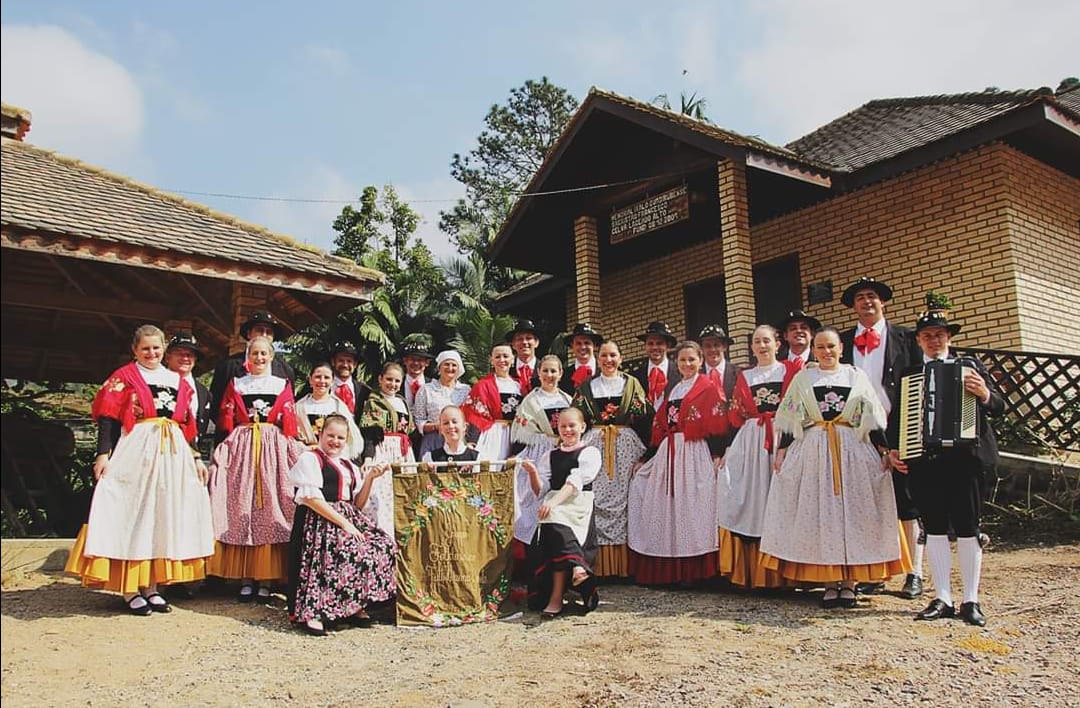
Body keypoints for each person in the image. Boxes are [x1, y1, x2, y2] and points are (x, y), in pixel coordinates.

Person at [66, 325, 214, 615]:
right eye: (145, 348)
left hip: (173, 453)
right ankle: (130, 589)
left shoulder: (176, 380)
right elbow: (108, 417)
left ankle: (152, 587)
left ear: (164, 351)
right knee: (133, 510)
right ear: (135, 350)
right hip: (138, 448)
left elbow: (187, 423)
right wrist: (103, 454)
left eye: (156, 348)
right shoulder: (124, 377)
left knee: (162, 514)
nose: (151, 353)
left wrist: (196, 457)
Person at [759, 328, 910, 608]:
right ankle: (830, 583)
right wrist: (782, 451)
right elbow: (792, 419)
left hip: (853, 447)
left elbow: (872, 418)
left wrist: (885, 450)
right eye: (820, 347)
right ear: (814, 350)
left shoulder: (855, 376)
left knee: (851, 514)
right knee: (823, 514)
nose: (826, 352)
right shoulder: (804, 378)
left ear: (841, 348)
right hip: (814, 449)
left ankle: (850, 583)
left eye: (831, 346)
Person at [895, 308, 1003, 627]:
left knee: (969, 528)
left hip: (964, 459)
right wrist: (895, 449)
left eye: (939, 334)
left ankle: (971, 599)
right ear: (918, 340)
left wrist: (982, 393)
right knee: (935, 529)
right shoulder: (910, 375)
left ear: (949, 337)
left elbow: (998, 405)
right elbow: (899, 419)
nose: (933, 340)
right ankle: (942, 596)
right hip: (925, 460)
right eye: (927, 336)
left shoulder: (970, 366)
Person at [839, 277, 925, 599]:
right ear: (853, 306)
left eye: (872, 296)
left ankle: (914, 571)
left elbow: (919, 383)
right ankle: (875, 569)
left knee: (906, 501)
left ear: (883, 302)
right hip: (858, 433)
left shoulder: (906, 337)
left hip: (899, 427)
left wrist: (912, 432)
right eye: (860, 298)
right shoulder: (843, 342)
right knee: (868, 502)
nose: (866, 302)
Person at [207, 335, 300, 603]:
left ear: (271, 356)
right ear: (247, 357)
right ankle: (246, 576)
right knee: (242, 506)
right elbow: (226, 419)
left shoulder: (281, 383)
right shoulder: (237, 383)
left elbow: (288, 421)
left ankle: (267, 578)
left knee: (272, 505)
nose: (259, 358)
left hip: (272, 447)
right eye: (254, 353)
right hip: (244, 446)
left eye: (264, 354)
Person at [627, 341, 728, 585]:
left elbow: (718, 422)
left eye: (692, 359)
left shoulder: (709, 386)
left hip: (694, 451)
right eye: (682, 360)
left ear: (700, 361)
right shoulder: (675, 389)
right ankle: (672, 567)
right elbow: (661, 426)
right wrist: (646, 458)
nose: (687, 364)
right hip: (669, 453)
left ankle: (696, 571)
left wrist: (717, 454)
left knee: (693, 509)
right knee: (668, 508)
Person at [286, 415, 396, 636]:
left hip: (347, 516)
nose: (335, 441)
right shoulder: (311, 458)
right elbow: (310, 498)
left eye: (340, 438)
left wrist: (371, 479)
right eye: (331, 436)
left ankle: (354, 604)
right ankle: (316, 611)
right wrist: (345, 525)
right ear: (321, 435)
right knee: (347, 549)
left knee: (383, 546)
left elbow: (357, 503)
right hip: (319, 519)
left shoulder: (348, 465)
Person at [716, 325, 800, 589]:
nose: (762, 346)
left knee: (783, 498)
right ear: (751, 348)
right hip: (752, 439)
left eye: (766, 341)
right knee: (750, 499)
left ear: (778, 344)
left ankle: (788, 572)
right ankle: (756, 573)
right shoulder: (745, 376)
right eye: (756, 342)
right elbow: (735, 414)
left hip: (784, 434)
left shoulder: (790, 370)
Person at [573, 340, 651, 578]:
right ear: (598, 358)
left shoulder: (632, 383)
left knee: (626, 500)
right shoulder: (587, 386)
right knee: (596, 499)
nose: (608, 360)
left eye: (613, 355)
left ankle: (625, 568)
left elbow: (646, 418)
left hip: (625, 445)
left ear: (621, 357)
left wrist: (647, 453)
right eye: (604, 355)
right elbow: (576, 416)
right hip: (596, 444)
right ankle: (599, 566)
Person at [520, 408, 601, 617]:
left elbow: (575, 482)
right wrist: (532, 473)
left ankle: (558, 595)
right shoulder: (550, 455)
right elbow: (541, 490)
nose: (567, 430)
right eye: (563, 426)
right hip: (554, 505)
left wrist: (554, 503)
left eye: (572, 425)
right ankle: (576, 567)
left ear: (582, 427)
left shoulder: (590, 453)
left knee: (553, 519)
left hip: (576, 505)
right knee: (551, 522)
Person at [510, 355, 573, 565]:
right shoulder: (531, 400)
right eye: (545, 371)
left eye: (553, 371)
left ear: (560, 373)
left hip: (563, 451)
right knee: (534, 501)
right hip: (539, 452)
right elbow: (521, 433)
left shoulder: (567, 399)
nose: (549, 375)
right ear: (539, 373)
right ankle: (535, 558)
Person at [208, 312, 296, 442]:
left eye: (269, 332)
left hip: (273, 440)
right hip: (235, 438)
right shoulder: (228, 366)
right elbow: (216, 403)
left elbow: (288, 406)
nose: (264, 335)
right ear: (249, 334)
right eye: (260, 330)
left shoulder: (285, 370)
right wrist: (235, 433)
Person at [358, 362, 416, 537]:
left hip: (403, 451)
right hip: (383, 449)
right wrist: (368, 458)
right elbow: (370, 433)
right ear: (380, 379)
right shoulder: (374, 402)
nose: (393, 384)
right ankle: (382, 536)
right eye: (389, 379)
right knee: (381, 496)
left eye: (397, 381)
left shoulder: (402, 402)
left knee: (404, 493)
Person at [462, 344, 522, 462]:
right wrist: (472, 441)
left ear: (512, 359)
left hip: (514, 435)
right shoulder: (483, 384)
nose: (502, 360)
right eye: (497, 357)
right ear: (492, 361)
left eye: (505, 356)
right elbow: (474, 414)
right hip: (493, 433)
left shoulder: (519, 385)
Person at [294, 362, 363, 459]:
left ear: (332, 381)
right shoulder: (299, 407)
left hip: (334, 459)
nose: (322, 381)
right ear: (310, 380)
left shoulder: (339, 406)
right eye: (318, 377)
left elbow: (351, 438)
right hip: (306, 458)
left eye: (326, 377)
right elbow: (293, 438)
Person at [413, 350, 471, 459]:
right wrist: (437, 426)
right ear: (439, 368)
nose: (450, 368)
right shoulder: (426, 389)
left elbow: (471, 418)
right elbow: (419, 420)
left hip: (458, 440)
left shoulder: (466, 390)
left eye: (454, 365)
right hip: (434, 439)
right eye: (446, 364)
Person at [165, 332, 213, 449]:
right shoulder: (155, 383)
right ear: (168, 357)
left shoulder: (203, 392)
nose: (185, 358)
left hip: (189, 452)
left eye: (190, 354)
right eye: (179, 353)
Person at [627, 321, 677, 412]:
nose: (654, 347)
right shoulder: (635, 377)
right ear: (645, 346)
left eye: (659, 343)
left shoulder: (680, 373)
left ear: (668, 345)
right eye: (650, 343)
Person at [559, 322, 602, 395]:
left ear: (594, 345)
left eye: (587, 343)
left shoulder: (604, 371)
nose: (583, 347)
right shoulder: (564, 376)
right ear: (572, 346)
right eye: (578, 343)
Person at [697, 324, 738, 400]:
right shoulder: (696, 375)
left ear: (724, 347)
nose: (712, 349)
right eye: (707, 346)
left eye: (716, 345)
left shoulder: (738, 373)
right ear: (701, 349)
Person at [507, 319, 541, 395]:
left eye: (528, 338)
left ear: (536, 343)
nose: (524, 342)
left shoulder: (545, 369)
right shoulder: (506, 370)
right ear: (513, 344)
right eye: (519, 339)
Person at [400, 339, 434, 411]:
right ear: (405, 361)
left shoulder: (434, 385)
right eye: (412, 359)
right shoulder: (396, 384)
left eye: (420, 360)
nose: (416, 363)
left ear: (427, 363)